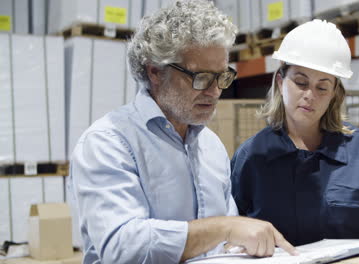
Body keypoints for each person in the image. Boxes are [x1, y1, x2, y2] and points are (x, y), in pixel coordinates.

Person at [69, 1, 297, 263]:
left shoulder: (211, 146)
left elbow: (226, 243)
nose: (214, 92)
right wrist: (224, 227)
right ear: (155, 72)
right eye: (200, 77)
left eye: (221, 77)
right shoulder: (107, 143)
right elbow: (123, 248)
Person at [230, 19, 359, 247]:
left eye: (322, 87)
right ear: (280, 81)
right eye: (300, 82)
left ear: (335, 93)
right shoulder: (252, 156)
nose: (310, 95)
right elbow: (233, 233)